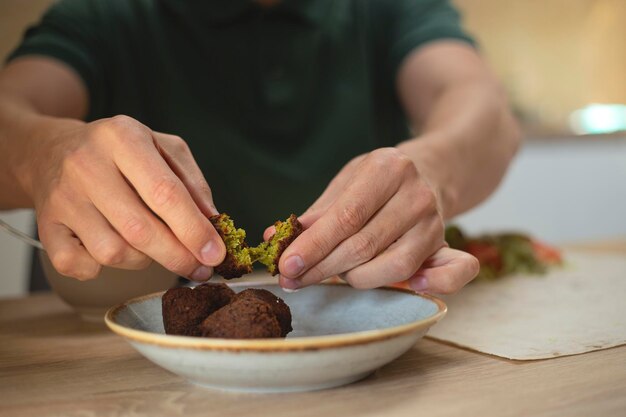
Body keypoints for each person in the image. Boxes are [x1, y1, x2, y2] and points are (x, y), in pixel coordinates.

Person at [0, 0, 519, 294]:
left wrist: (432, 169)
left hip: (350, 340)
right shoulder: (105, 15)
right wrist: (40, 153)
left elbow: (486, 111)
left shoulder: (387, 11)